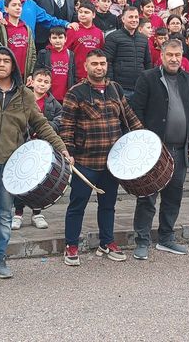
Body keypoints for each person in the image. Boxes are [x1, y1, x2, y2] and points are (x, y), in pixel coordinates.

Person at [0, 46, 69, 279]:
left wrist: (60, 147)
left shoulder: (25, 95)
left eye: (5, 61)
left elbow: (41, 124)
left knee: (4, 214)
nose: (1, 64)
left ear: (13, 66)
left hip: (12, 164)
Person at [60, 49, 142, 266]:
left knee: (108, 205)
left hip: (112, 162)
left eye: (103, 63)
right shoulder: (75, 93)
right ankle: (71, 246)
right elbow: (66, 126)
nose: (99, 67)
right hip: (85, 162)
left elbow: (130, 117)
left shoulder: (115, 89)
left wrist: (143, 139)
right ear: (86, 67)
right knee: (77, 204)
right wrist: (67, 152)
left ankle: (107, 242)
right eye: (94, 63)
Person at [129, 39, 189, 259]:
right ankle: (142, 241)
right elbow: (136, 111)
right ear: (161, 56)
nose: (174, 59)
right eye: (170, 55)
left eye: (178, 55)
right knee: (147, 197)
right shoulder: (148, 78)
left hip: (181, 150)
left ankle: (166, 239)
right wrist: (144, 143)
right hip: (154, 151)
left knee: (174, 196)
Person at [12, 67, 62, 230]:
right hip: (22, 146)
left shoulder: (54, 103)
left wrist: (46, 127)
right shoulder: (21, 98)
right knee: (21, 180)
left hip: (42, 147)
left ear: (50, 84)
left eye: (46, 82)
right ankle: (18, 213)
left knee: (39, 181)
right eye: (39, 81)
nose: (42, 84)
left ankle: (36, 213)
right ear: (31, 81)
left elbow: (59, 120)